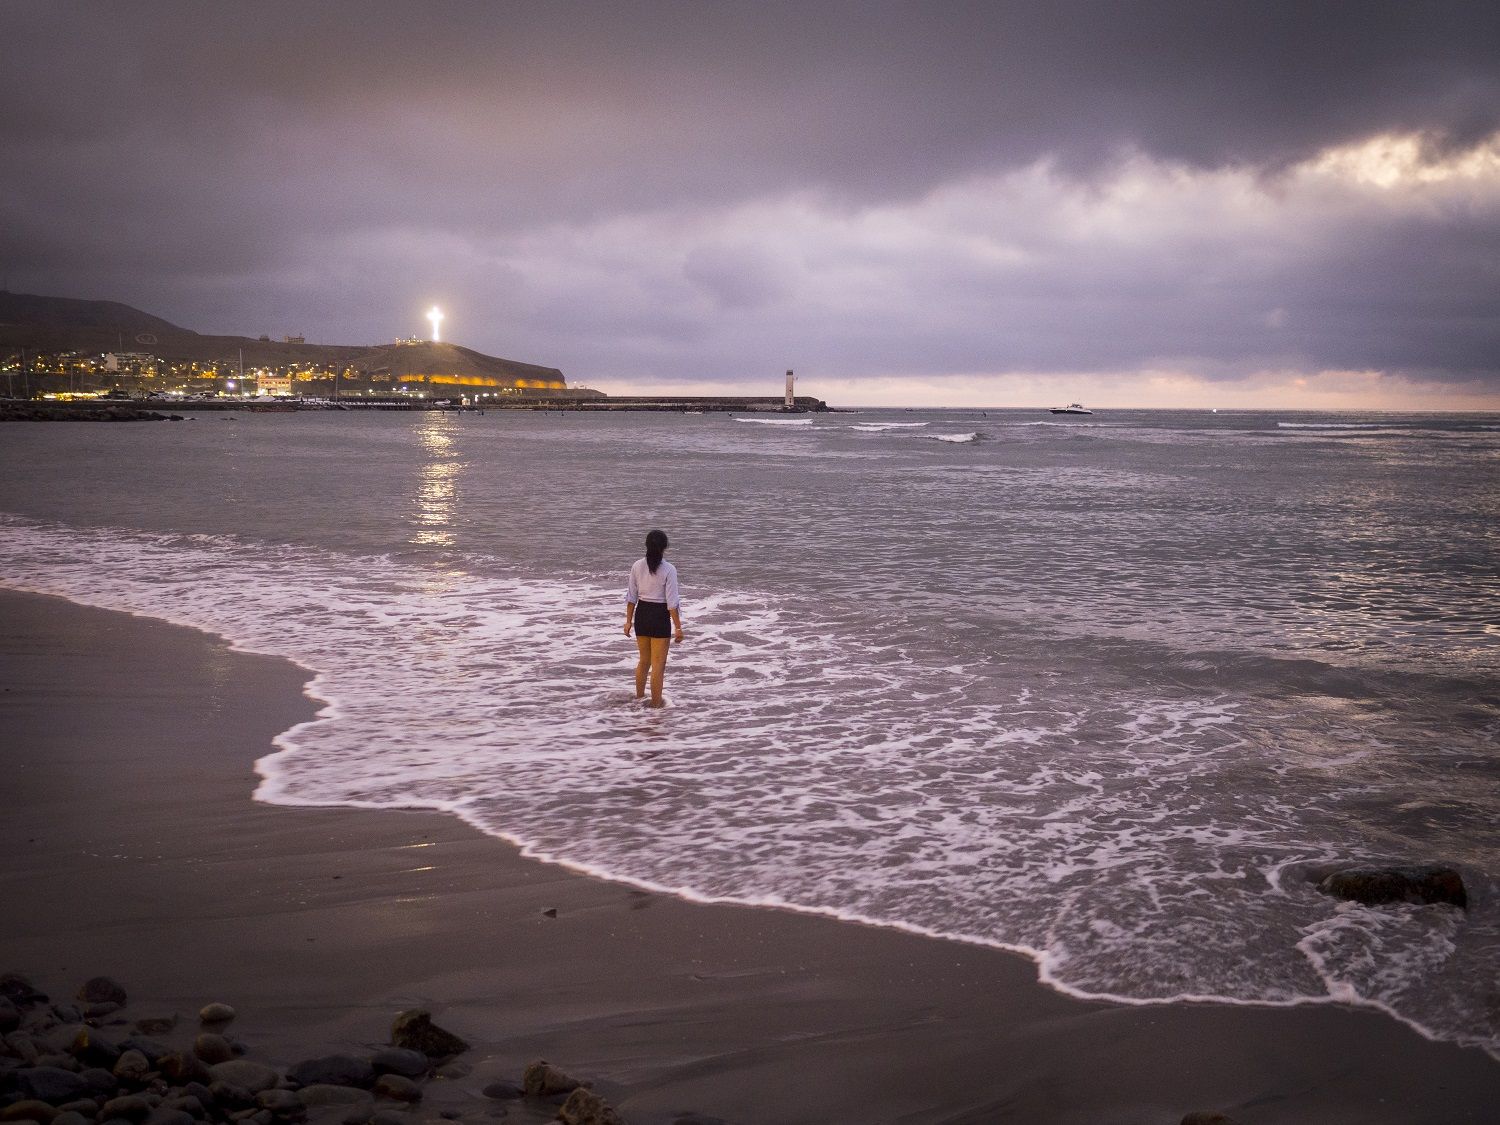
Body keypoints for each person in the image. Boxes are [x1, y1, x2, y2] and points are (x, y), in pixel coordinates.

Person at [623, 529, 684, 707]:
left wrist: (628, 621)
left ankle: (639, 699)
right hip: (659, 617)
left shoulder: (637, 566)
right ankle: (656, 708)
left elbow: (631, 597)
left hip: (642, 614)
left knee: (644, 661)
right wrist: (678, 628)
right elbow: (672, 603)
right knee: (658, 666)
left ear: (647, 546)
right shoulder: (669, 569)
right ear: (664, 548)